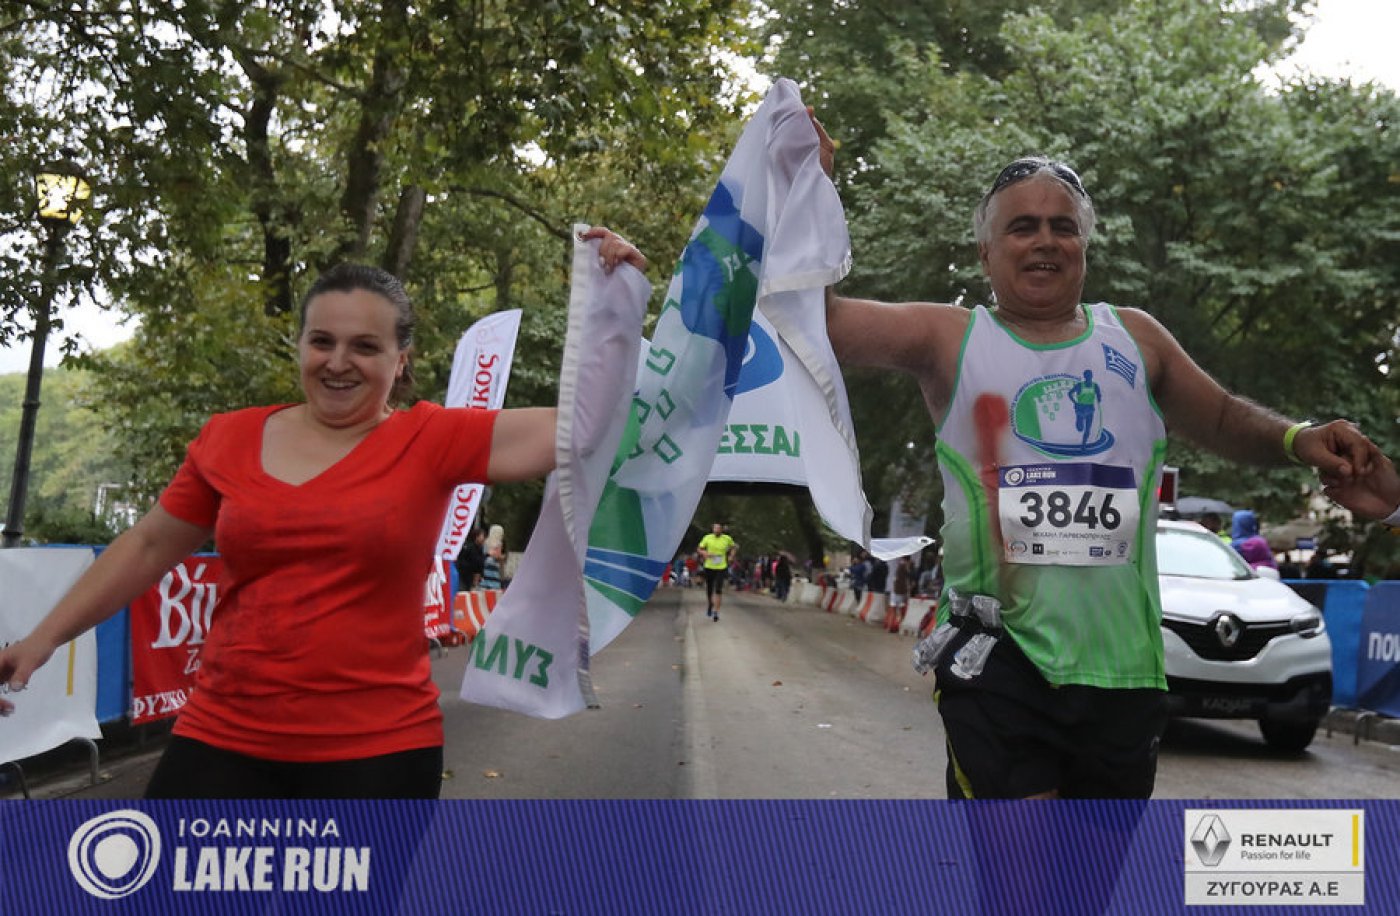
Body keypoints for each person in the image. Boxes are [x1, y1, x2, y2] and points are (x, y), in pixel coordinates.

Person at [812, 134, 1386, 801]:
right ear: (986, 251)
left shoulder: (1135, 338)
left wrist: (1299, 439)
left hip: (1124, 673)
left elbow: (1223, 417)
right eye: (1023, 227)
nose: (1045, 241)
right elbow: (823, 323)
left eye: (1064, 227)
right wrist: (811, 191)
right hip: (999, 658)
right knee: (1023, 862)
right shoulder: (950, 337)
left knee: (1092, 864)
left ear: (1084, 246)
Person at [0, 227, 647, 798]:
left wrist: (616, 304)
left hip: (377, 754)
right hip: (221, 738)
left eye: (365, 346)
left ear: (400, 360)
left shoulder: (434, 437)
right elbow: (145, 548)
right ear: (301, 346)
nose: (338, 362)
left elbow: (587, 428)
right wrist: (40, 640)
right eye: (322, 341)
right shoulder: (228, 439)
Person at [697, 521, 737, 621]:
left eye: (718, 528)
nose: (716, 530)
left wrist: (731, 556)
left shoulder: (727, 539)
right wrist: (705, 553)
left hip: (721, 567)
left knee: (718, 589)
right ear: (712, 529)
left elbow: (733, 547)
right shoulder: (707, 538)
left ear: (721, 529)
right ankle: (710, 604)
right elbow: (699, 549)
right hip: (709, 566)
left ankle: (716, 611)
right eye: (715, 528)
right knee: (709, 589)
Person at [886, 555, 912, 634]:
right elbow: (905, 581)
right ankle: (898, 627)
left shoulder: (899, 567)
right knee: (900, 611)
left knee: (893, 610)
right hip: (900, 592)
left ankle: (891, 626)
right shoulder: (904, 567)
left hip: (895, 591)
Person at [456, 525, 486, 591]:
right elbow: (475, 562)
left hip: (473, 578)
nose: (483, 538)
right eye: (482, 536)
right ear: (476, 537)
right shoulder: (470, 548)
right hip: (466, 577)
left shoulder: (480, 549)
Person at [480, 523, 506, 590]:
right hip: (494, 568)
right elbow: (497, 556)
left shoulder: (485, 542)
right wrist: (502, 557)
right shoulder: (499, 544)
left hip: (486, 567)